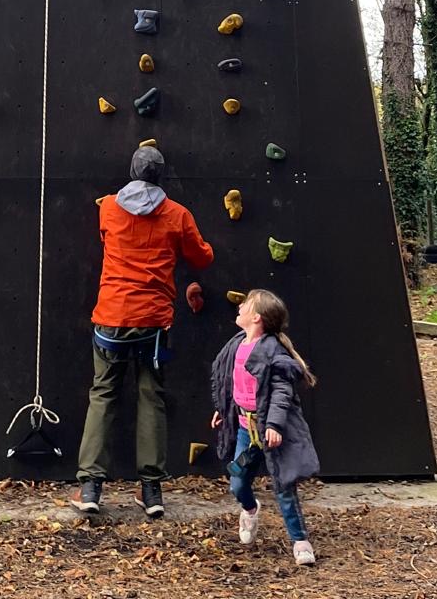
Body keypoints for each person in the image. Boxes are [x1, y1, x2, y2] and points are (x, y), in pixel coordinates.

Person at [72, 146, 214, 519]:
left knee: (103, 394)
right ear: (160, 176)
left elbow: (107, 240)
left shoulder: (108, 208)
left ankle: (90, 487)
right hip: (154, 325)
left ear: (132, 171)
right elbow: (202, 257)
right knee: (151, 396)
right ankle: (151, 491)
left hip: (112, 318)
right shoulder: (178, 215)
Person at [210, 289, 320, 567]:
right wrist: (223, 409)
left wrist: (273, 424)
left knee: (284, 485)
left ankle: (300, 541)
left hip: (270, 429)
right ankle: (250, 509)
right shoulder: (236, 344)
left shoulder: (272, 351)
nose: (240, 307)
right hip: (245, 429)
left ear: (256, 317)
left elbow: (282, 392)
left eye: (246, 304)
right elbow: (229, 382)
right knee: (237, 483)